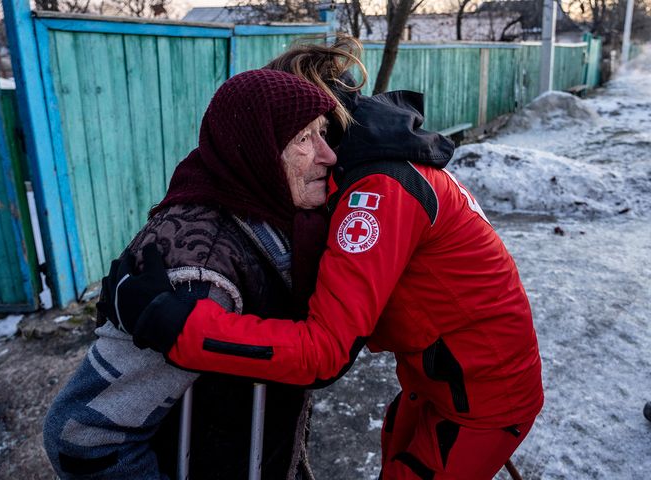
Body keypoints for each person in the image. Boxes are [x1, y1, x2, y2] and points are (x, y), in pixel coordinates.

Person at [103, 43, 545, 479]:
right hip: (439, 376)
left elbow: (325, 353)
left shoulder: (377, 191)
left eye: (299, 126)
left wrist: (174, 326)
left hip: (481, 395)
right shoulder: (373, 160)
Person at [43, 68, 344, 479]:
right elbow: (84, 436)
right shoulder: (198, 271)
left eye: (322, 132)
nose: (329, 155)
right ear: (257, 148)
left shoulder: (272, 214)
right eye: (304, 139)